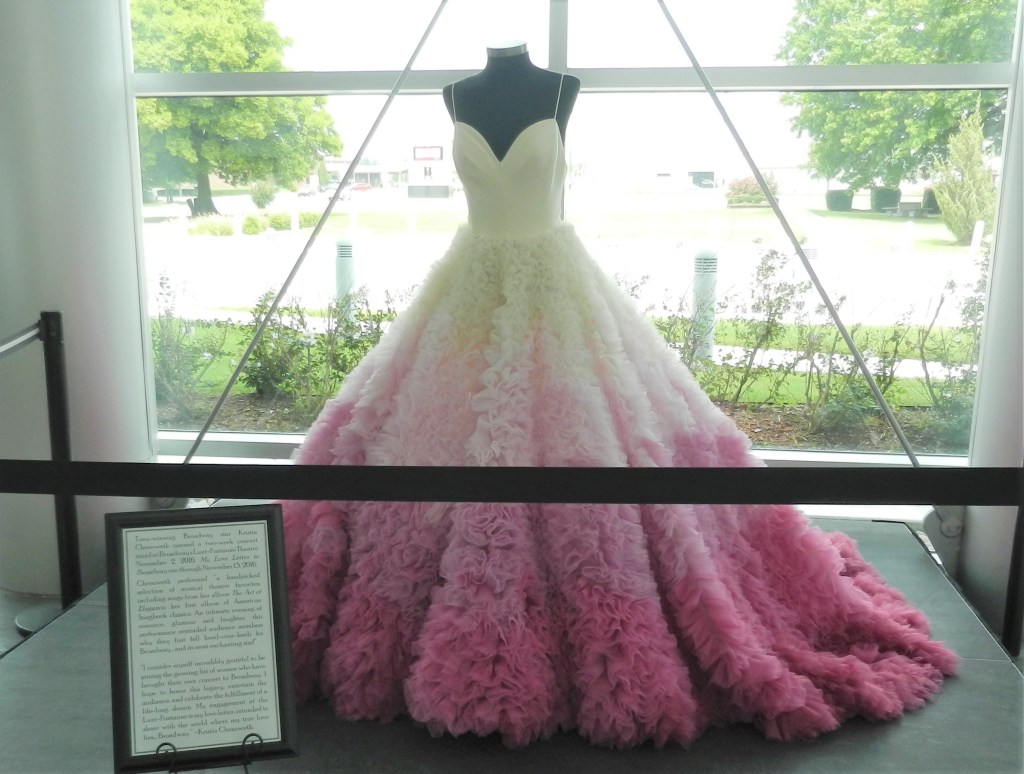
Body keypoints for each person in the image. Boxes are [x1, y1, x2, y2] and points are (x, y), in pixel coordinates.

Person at [281, 43, 956, 748]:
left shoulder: (559, 89)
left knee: (592, 433)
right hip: (470, 294)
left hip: (556, 291)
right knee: (433, 431)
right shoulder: (456, 94)